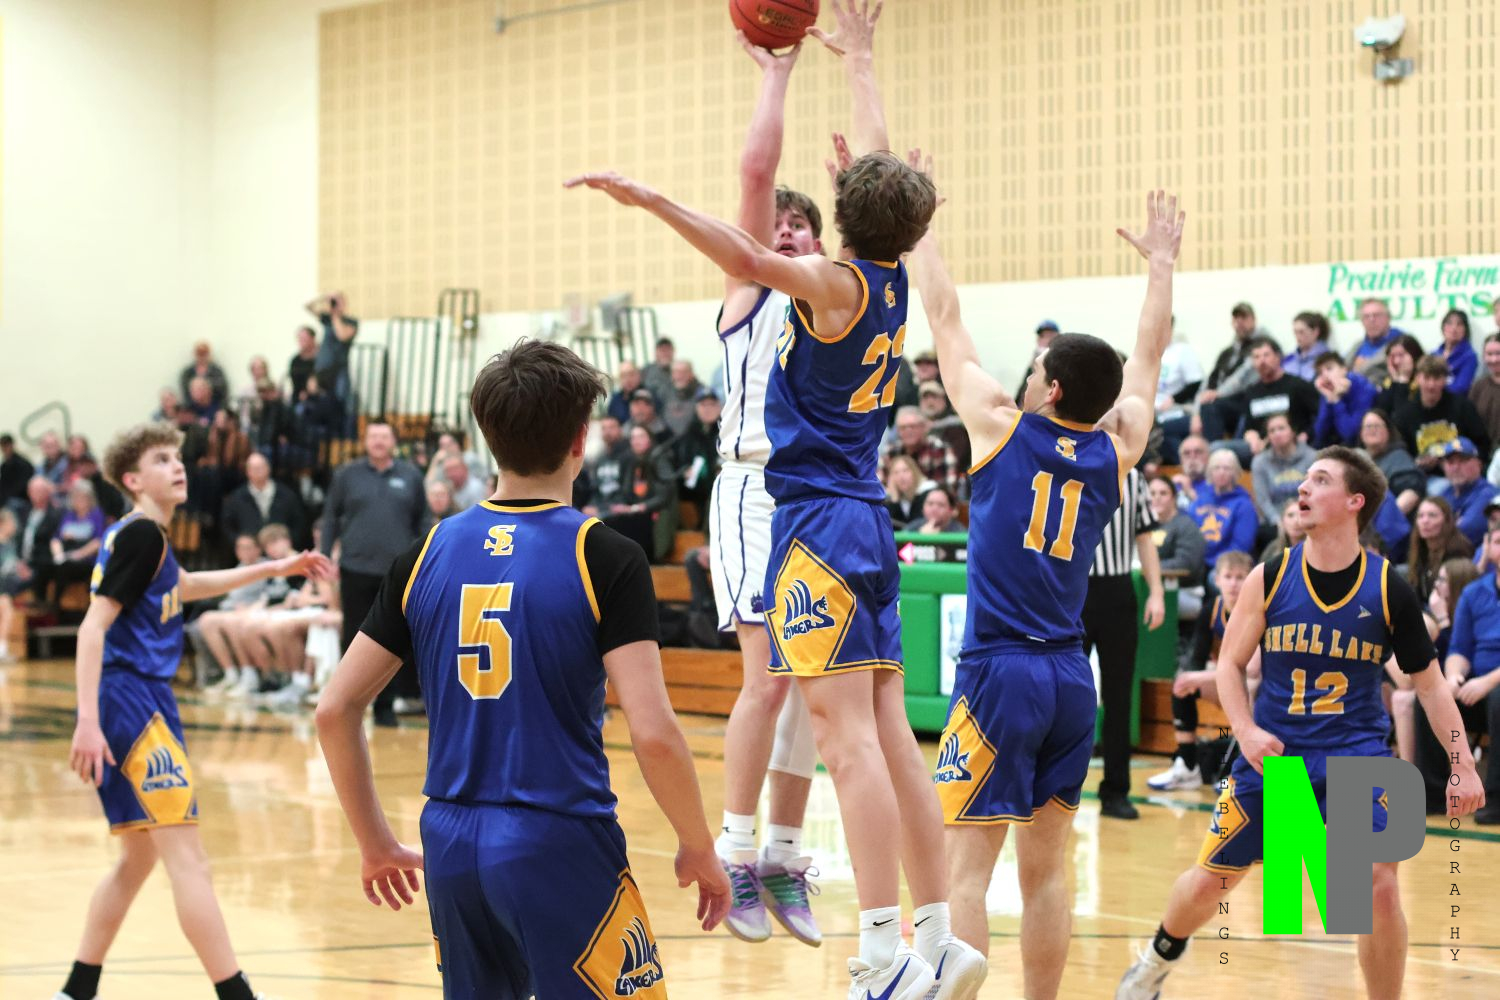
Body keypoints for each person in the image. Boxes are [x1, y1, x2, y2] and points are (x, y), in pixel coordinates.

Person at [569, 9, 984, 997]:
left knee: (847, 742)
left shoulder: (829, 285)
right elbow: (875, 173)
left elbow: (750, 253)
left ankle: (881, 953)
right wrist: (862, 64)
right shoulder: (891, 278)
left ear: (838, 214)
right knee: (888, 734)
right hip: (863, 517)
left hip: (815, 521)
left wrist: (650, 197)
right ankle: (938, 934)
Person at [314, 339, 729, 996]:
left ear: (487, 438)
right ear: (581, 440)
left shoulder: (424, 552)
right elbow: (652, 732)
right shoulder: (604, 555)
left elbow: (334, 710)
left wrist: (375, 842)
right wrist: (698, 843)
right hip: (559, 836)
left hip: (450, 842)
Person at [906, 186, 1182, 998]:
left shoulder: (998, 429)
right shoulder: (1114, 451)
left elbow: (944, 316)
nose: (1023, 375)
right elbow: (1149, 356)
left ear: (1052, 389)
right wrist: (1161, 267)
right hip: (1069, 675)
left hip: (1000, 671)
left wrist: (917, 231)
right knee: (1048, 872)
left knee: (965, 868)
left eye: (1034, 368)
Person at [1119, 448, 1486, 1000]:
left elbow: (1430, 686)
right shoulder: (1271, 575)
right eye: (1305, 479)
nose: (1303, 489)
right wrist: (1244, 730)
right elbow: (1230, 664)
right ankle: (1157, 957)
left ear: (1354, 502)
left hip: (1356, 756)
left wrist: (1462, 763)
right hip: (1278, 756)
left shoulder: (1389, 588)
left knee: (1377, 887)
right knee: (1214, 881)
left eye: (1320, 479)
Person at [58, 422, 329, 1000]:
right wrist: (86, 720)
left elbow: (185, 584)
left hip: (134, 699)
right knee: (189, 858)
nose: (177, 466)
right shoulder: (141, 535)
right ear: (133, 480)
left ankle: (76, 989)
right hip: (132, 701)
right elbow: (92, 628)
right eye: (161, 459)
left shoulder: (145, 536)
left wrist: (272, 569)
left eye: (177, 457)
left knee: (138, 858)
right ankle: (236, 994)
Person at [696, 36, 830, 947]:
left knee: (815, 684)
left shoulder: (833, 305)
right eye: (774, 225)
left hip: (814, 499)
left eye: (800, 226)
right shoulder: (751, 293)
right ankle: (734, 851)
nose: (784, 233)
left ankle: (783, 856)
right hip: (750, 487)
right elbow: (755, 177)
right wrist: (777, 75)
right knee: (768, 679)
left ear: (820, 243)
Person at [320, 421, 427, 727]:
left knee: (393, 639)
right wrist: (325, 555)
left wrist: (425, 559)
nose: (378, 441)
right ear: (365, 441)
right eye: (373, 436)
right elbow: (330, 518)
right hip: (354, 567)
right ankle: (347, 704)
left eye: (384, 436)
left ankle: (385, 706)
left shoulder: (411, 476)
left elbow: (423, 521)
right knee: (353, 636)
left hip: (397, 573)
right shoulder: (346, 475)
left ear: (394, 442)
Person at [1083, 463, 1166, 820]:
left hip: (1118, 591)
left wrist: (1156, 592)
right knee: (1063, 695)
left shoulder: (1132, 476)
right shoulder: (1062, 462)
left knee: (1119, 697)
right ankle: (1054, 787)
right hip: (1070, 591)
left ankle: (1116, 791)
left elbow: (1145, 538)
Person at [1146, 550, 1255, 791]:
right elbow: (1196, 658)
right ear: (1216, 579)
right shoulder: (1212, 609)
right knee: (1183, 685)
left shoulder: (1255, 611)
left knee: (1255, 691)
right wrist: (1191, 676)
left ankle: (1245, 771)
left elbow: (1254, 671)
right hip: (1227, 679)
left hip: (1254, 685)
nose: (1233, 584)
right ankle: (1187, 764)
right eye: (1228, 576)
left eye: (1240, 577)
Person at [1411, 526, 1500, 823]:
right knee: (1429, 699)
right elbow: (1460, 648)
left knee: (1499, 698)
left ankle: (1495, 797)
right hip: (1475, 684)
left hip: (1493, 686)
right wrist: (1452, 677)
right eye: (1497, 541)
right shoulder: (1475, 592)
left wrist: (1487, 682)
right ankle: (1434, 795)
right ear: (1487, 547)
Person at [1393, 355, 1490, 474]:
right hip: (1424, 476)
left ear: (1445, 379)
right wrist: (1418, 463)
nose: (1431, 385)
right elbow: (1401, 454)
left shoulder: (1462, 406)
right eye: (1426, 378)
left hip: (1462, 471)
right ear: (1417, 378)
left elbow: (1482, 443)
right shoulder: (1405, 415)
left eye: (1436, 378)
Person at [1187, 448, 1258, 570]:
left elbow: (1241, 546)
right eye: (1217, 468)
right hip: (1197, 562)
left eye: (1227, 468)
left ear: (1235, 472)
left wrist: (1213, 563)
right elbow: (1188, 534)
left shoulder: (1244, 505)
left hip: (1228, 566)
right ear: (1210, 471)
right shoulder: (1200, 500)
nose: (1221, 472)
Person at [1249, 413, 1314, 527]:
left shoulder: (1312, 457)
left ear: (1293, 431)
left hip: (1308, 518)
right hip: (1275, 523)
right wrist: (1278, 521)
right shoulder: (1260, 462)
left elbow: (1315, 495)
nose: (1277, 433)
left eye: (1281, 428)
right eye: (1272, 431)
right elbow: (1262, 500)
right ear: (1268, 437)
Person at [1406, 496, 1473, 602]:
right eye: (1420, 516)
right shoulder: (1420, 549)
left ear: (1446, 520)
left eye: (1432, 515)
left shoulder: (1458, 551)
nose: (1425, 521)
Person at [1358, 409, 1423, 515]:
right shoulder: (1358, 459)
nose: (1372, 430)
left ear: (1388, 431)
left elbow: (1411, 494)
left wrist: (1386, 518)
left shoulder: (1399, 458)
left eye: (1377, 426)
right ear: (1361, 433)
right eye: (1368, 426)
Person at [1435, 437, 1497, 548]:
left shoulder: (1488, 494)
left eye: (1463, 461)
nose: (1456, 467)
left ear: (1478, 464)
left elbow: (1466, 530)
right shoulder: (1445, 493)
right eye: (1450, 462)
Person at [304, 291, 359, 406]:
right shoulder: (327, 319)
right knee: (320, 399)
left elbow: (342, 336)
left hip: (339, 368)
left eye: (338, 301)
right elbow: (308, 307)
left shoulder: (351, 322)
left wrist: (335, 315)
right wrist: (324, 298)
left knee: (340, 399)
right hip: (323, 367)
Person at [1311, 351, 1378, 446]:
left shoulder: (1364, 388)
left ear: (1344, 369)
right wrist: (1329, 397)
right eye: (1320, 373)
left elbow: (1350, 434)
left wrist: (1337, 401)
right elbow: (1319, 434)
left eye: (1329, 368)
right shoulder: (1329, 391)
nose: (1324, 376)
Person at [1346, 296, 1404, 380]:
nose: (1371, 320)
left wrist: (1360, 367)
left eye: (1376, 315)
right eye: (1366, 316)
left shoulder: (1402, 343)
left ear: (1388, 317)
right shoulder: (1358, 345)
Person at [1372, 332, 1423, 415]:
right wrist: (1396, 380)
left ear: (1414, 355)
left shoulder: (1424, 379)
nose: (1396, 361)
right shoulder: (1388, 381)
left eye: (1401, 355)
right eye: (1392, 356)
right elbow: (1382, 412)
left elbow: (1404, 414)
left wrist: (1403, 381)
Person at [1435, 307, 1478, 396]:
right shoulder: (1434, 354)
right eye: (1449, 323)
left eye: (1459, 324)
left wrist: (1434, 389)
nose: (1454, 328)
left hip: (1456, 402)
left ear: (1465, 329)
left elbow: (1461, 387)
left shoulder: (1469, 356)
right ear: (1443, 328)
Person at [1467, 334, 1500, 447]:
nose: (1494, 359)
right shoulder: (1478, 386)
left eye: (1498, 353)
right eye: (1489, 354)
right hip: (1483, 450)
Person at [1283, 310, 1333, 382]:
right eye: (1295, 332)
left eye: (1301, 332)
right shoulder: (1288, 359)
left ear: (1315, 332)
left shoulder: (1328, 359)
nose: (1297, 337)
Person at [883, 454, 929, 527]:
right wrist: (894, 498)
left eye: (905, 470)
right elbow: (893, 527)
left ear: (914, 472)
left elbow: (916, 524)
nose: (901, 476)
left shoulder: (927, 492)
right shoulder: (894, 498)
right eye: (896, 473)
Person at [0, 433, 36, 509]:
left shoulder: (23, 464)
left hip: (22, 500)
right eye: (3, 446)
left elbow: (24, 486)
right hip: (8, 499)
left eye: (7, 445)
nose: (5, 448)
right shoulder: (4, 466)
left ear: (12, 445)